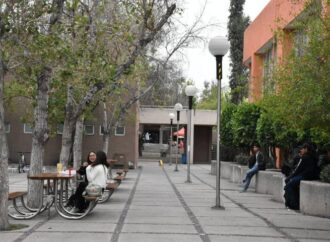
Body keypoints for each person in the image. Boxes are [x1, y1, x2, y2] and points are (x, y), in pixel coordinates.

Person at [284, 143, 317, 210]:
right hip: (310, 176)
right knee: (291, 184)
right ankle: (291, 202)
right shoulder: (313, 157)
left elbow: (298, 170)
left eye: (302, 148)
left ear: (306, 149)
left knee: (288, 185)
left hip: (304, 176)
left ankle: (293, 204)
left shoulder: (304, 157)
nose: (300, 150)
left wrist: (290, 177)